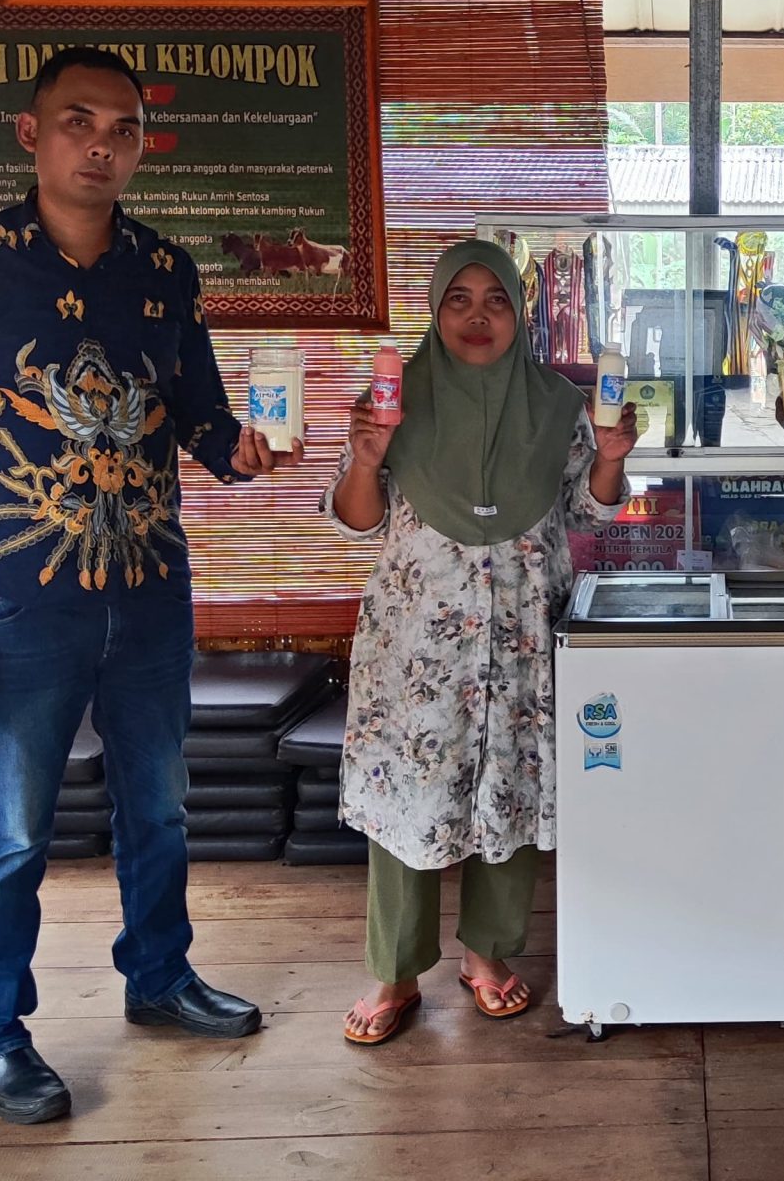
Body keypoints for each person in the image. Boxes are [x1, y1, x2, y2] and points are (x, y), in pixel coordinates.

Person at [0, 46, 295, 1125]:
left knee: (158, 806)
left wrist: (238, 450)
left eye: (123, 129)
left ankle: (159, 976)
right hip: (24, 592)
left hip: (150, 584)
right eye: (79, 121)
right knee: (13, 828)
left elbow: (197, 409)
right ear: (32, 134)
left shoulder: (164, 270)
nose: (102, 145)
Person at [325, 241, 637, 1045]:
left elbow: (591, 511)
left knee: (512, 783)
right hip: (417, 650)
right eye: (457, 300)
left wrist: (609, 461)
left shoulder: (557, 404)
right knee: (409, 793)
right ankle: (395, 969)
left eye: (495, 299)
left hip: (524, 634)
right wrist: (366, 458)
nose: (476, 316)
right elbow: (356, 519)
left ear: (519, 314)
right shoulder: (391, 401)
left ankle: (488, 952)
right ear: (435, 312)